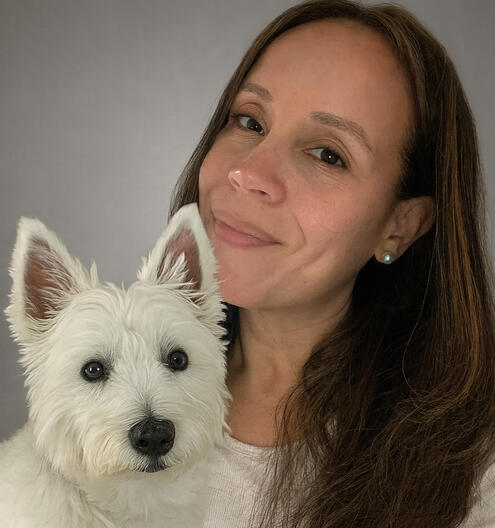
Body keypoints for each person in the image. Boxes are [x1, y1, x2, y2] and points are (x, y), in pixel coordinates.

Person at [169, 1, 495, 527]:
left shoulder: (476, 474)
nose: (249, 173)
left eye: (327, 154)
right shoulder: (102, 394)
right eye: (250, 121)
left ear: (400, 226)